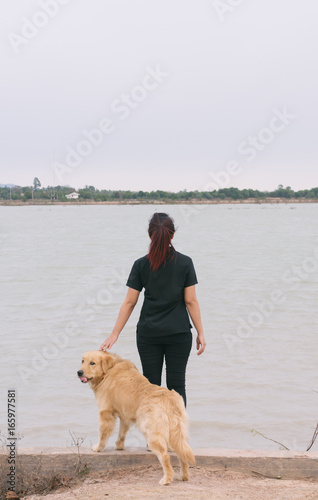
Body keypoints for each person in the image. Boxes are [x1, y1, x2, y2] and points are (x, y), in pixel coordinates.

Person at [99, 212, 206, 407]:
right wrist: (200, 332)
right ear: (172, 235)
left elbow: (129, 302)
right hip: (179, 333)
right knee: (177, 387)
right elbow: (191, 301)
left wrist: (115, 334)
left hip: (149, 335)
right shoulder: (185, 263)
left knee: (150, 386)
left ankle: (152, 437)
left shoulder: (141, 264)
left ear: (150, 235)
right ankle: (177, 436)